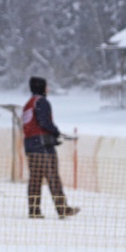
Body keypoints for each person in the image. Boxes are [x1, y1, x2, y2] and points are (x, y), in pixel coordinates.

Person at [22, 76, 79, 219]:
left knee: (34, 180)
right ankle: (63, 209)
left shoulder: (28, 104)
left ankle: (34, 210)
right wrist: (55, 132)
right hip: (43, 147)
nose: (48, 89)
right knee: (53, 177)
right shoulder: (41, 102)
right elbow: (44, 122)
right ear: (41, 87)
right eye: (46, 86)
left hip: (30, 146)